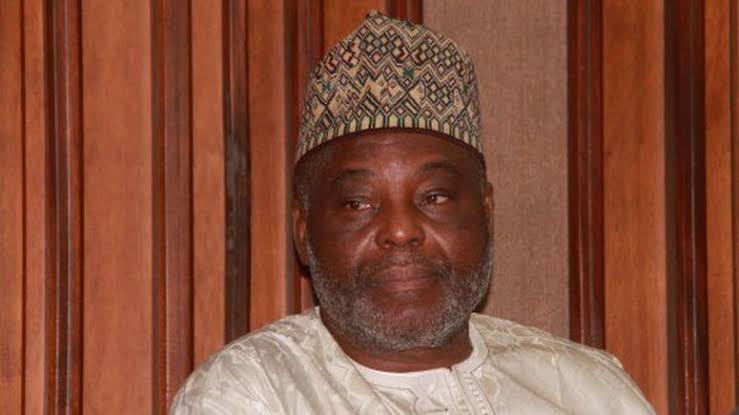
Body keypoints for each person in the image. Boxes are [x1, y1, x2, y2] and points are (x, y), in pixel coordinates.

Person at [170, 11, 655, 414]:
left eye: (434, 197)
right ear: (304, 233)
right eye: (359, 203)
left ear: (486, 211)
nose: (401, 231)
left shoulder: (588, 390)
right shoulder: (252, 392)